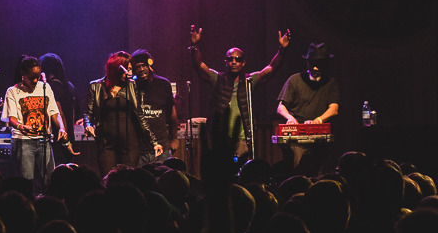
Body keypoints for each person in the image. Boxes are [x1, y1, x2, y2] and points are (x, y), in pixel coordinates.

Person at [189, 24, 290, 162]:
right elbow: (199, 65)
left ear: (243, 63)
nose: (234, 62)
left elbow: (272, 68)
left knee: (242, 171)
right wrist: (194, 46)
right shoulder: (217, 79)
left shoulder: (249, 81)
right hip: (221, 140)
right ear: (226, 62)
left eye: (238, 59)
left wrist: (282, 50)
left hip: (242, 139)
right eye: (230, 59)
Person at [85, 53, 161, 176]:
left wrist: (154, 142)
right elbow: (88, 113)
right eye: (128, 69)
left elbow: (140, 115)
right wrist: (88, 125)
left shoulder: (131, 85)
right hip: (106, 144)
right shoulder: (96, 86)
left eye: (130, 69)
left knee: (128, 179)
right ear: (116, 69)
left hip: (129, 144)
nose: (130, 72)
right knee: (107, 179)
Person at [1, 55, 68, 195]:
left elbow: (54, 113)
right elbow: (12, 119)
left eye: (38, 76)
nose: (36, 80)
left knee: (50, 180)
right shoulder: (13, 91)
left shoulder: (45, 87)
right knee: (27, 183)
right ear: (23, 75)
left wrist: (61, 127)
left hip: (44, 141)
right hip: (23, 141)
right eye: (32, 77)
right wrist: (21, 126)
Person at [276, 42, 340, 177]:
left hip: (320, 139)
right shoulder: (295, 80)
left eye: (319, 64)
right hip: (297, 137)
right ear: (307, 63)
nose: (315, 67)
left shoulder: (331, 83)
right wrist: (290, 118)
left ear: (325, 64)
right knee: (298, 167)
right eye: (312, 63)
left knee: (320, 171)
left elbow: (334, 109)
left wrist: (317, 121)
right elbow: (281, 107)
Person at [130, 49, 179, 164]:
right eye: (138, 67)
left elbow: (172, 115)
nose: (142, 69)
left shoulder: (163, 84)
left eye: (144, 65)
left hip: (162, 148)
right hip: (139, 150)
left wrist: (174, 138)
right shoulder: (131, 86)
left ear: (150, 66)